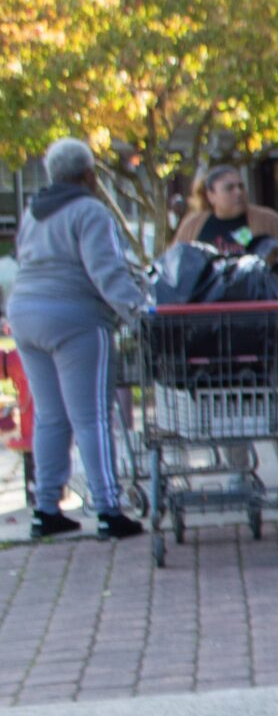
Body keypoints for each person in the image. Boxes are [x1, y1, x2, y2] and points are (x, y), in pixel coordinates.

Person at [7, 138, 147, 538]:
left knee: (51, 415)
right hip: (75, 318)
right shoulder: (90, 211)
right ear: (88, 174)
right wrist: (139, 313)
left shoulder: (33, 212)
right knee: (93, 418)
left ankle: (46, 510)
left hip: (25, 314)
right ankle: (108, 510)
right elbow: (107, 273)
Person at [174, 165, 278, 285]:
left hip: (259, 312)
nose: (238, 192)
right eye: (229, 188)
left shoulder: (268, 221)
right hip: (204, 314)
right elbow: (173, 264)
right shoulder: (192, 225)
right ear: (211, 195)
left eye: (241, 186)